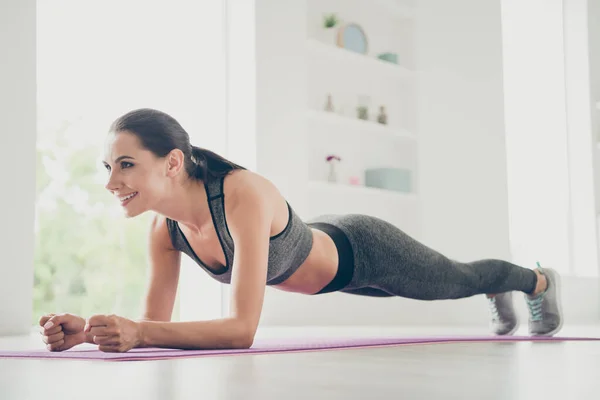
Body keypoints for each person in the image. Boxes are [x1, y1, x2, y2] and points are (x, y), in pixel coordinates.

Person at [38, 108, 563, 353]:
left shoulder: (241, 193)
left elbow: (240, 332)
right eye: (107, 167)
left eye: (124, 165)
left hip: (362, 250)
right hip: (323, 258)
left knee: (457, 280)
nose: (112, 182)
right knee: (455, 280)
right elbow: (150, 327)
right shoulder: (164, 229)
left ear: (172, 162)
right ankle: (511, 283)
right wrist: (90, 332)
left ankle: (533, 281)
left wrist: (140, 331)